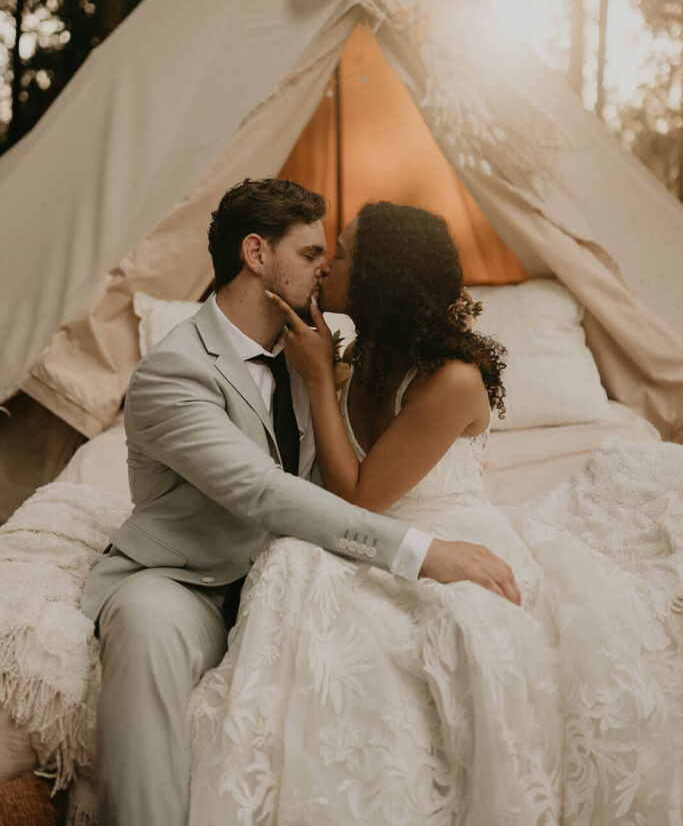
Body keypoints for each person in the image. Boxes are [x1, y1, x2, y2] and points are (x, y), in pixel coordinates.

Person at [188, 201, 683, 826]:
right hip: (362, 530)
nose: (327, 265)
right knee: (295, 581)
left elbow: (359, 500)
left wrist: (318, 381)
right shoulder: (363, 351)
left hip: (440, 529)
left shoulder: (452, 378)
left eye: (341, 252)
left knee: (456, 632)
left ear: (379, 277)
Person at [80, 180, 518, 826]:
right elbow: (261, 489)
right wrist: (421, 553)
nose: (326, 268)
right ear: (256, 255)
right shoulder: (173, 372)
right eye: (313, 252)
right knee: (145, 628)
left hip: (306, 567)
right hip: (193, 578)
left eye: (330, 254)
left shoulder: (317, 345)